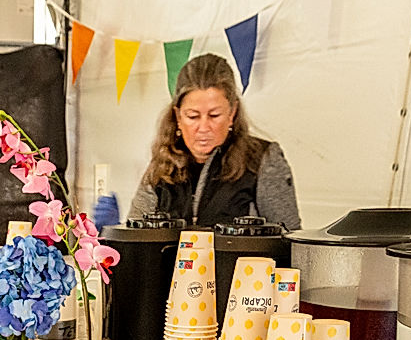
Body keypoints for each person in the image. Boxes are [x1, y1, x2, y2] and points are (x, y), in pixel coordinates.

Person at [94, 53, 301, 231]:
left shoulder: (263, 159)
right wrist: (115, 231)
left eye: (214, 115)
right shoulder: (163, 164)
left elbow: (290, 242)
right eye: (193, 116)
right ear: (178, 116)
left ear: (232, 113)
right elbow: (138, 242)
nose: (203, 127)